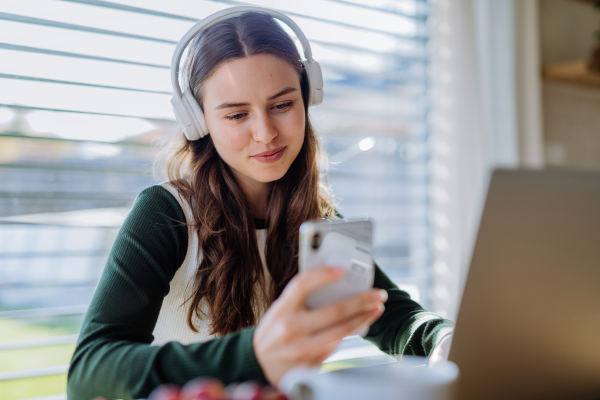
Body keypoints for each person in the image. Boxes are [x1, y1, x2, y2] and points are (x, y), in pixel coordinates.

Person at [67, 8, 453, 400]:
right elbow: (88, 372)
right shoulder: (166, 213)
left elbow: (395, 317)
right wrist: (254, 355)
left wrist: (444, 339)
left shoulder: (317, 219)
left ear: (307, 99)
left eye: (282, 105)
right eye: (236, 114)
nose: (265, 133)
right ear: (199, 122)